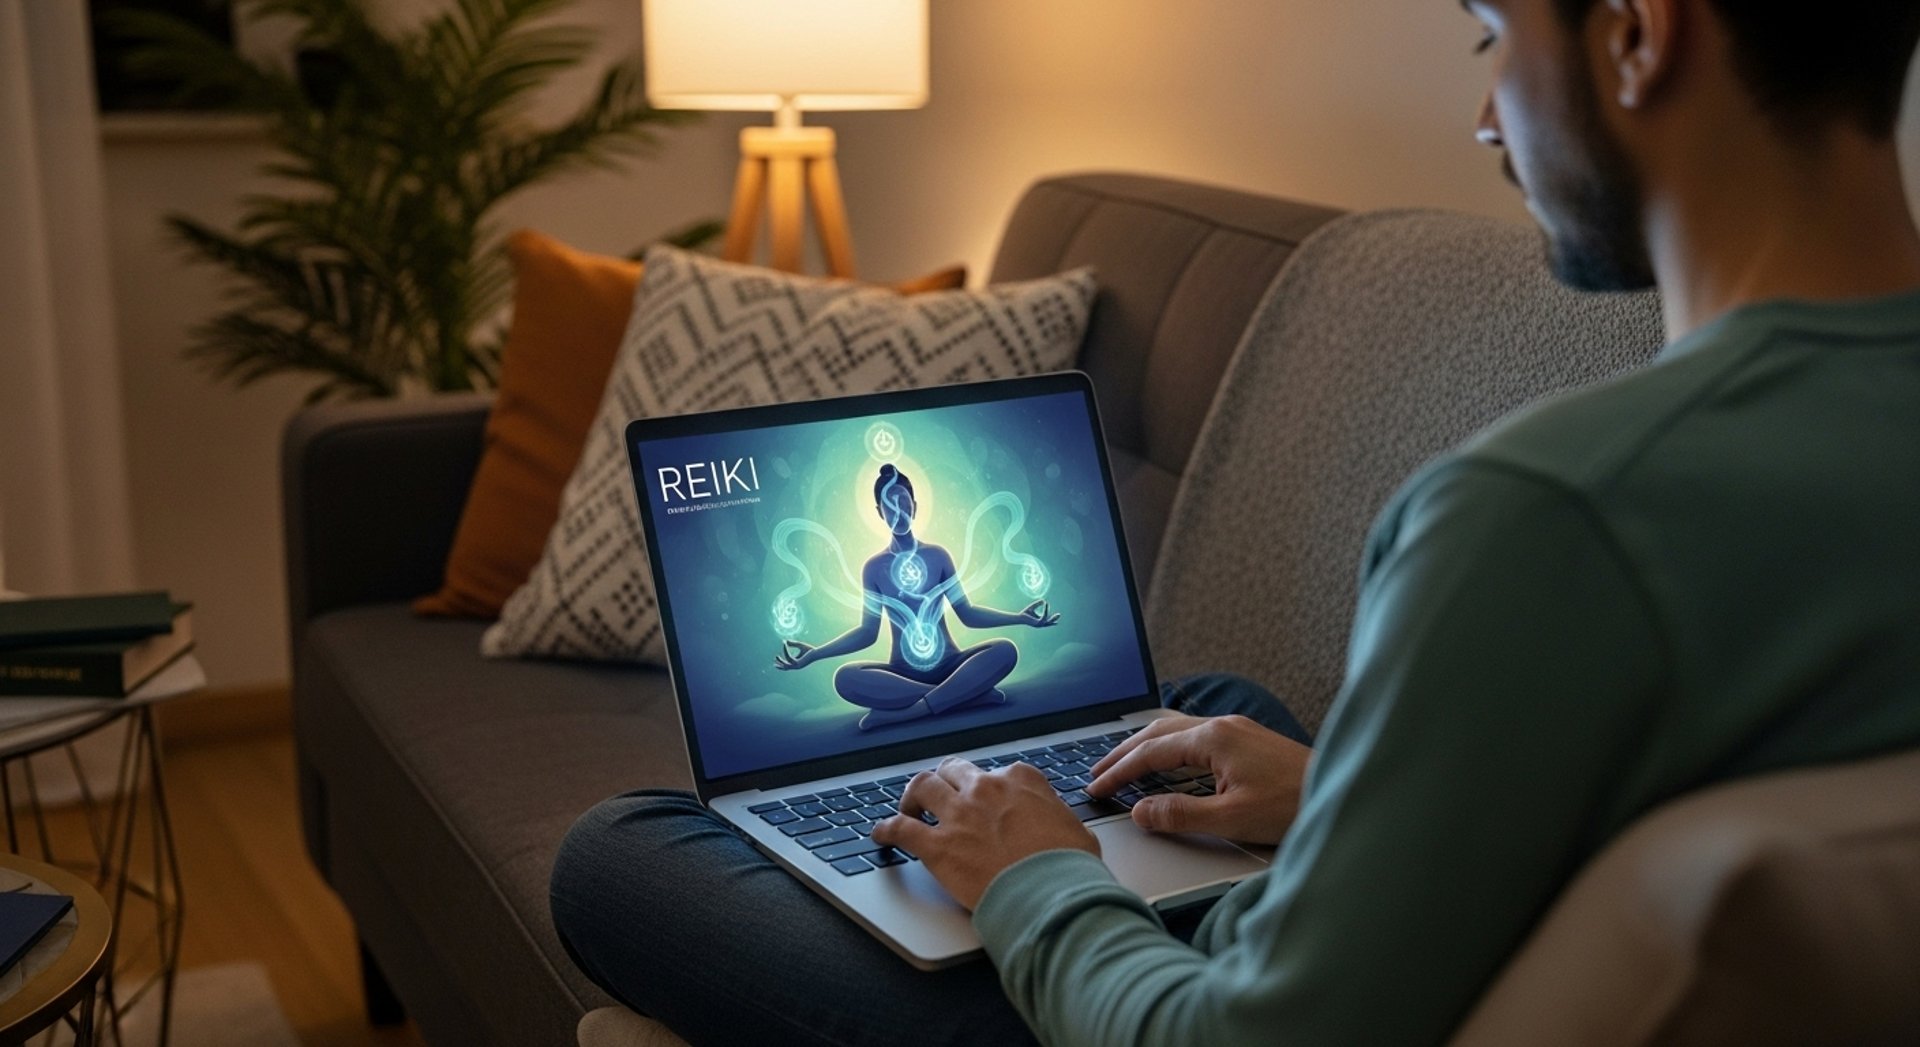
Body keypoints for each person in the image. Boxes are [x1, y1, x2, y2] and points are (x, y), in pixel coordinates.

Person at [549, 1, 1920, 1042]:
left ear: (1633, 33)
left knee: (619, 848)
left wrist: (1034, 883)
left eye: (1493, 36)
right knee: (1196, 711)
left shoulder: (1546, 514)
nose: (1489, 120)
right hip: (1428, 947)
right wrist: (1338, 798)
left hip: (1175, 1007)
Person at [774, 463, 1060, 730]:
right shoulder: (874, 567)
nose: (898, 510)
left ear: (915, 505)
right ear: (878, 512)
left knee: (1005, 650)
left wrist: (1020, 619)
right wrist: (816, 654)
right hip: (901, 674)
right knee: (846, 678)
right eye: (889, 504)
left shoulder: (937, 555)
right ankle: (967, 696)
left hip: (952, 665)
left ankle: (915, 709)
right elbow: (867, 633)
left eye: (903, 500)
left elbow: (968, 614)